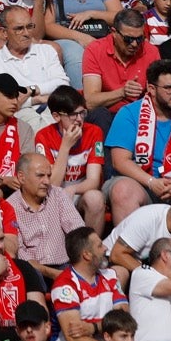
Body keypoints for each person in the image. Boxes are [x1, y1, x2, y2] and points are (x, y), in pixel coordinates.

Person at [36, 85, 106, 232]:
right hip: (52, 195)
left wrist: (73, 189)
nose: (79, 120)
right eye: (73, 115)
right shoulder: (43, 136)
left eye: (82, 113)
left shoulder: (94, 132)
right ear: (56, 116)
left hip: (80, 191)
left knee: (96, 198)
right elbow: (52, 184)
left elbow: (93, 181)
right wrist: (65, 147)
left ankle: (92, 247)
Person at [0, 5, 67, 117]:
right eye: (19, 29)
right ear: (4, 33)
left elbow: (63, 84)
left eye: (29, 27)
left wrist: (31, 90)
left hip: (53, 110)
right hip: (20, 116)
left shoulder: (46, 51)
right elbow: (2, 103)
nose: (26, 33)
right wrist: (37, 99)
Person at [10, 152, 83, 280]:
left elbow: (77, 231)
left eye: (49, 175)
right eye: (40, 176)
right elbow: (19, 252)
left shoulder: (57, 194)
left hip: (64, 264)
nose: (47, 181)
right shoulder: (10, 206)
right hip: (32, 269)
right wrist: (52, 274)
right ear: (21, 177)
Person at [81, 8, 154, 123]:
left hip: (139, 113)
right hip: (107, 114)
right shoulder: (95, 50)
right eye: (128, 39)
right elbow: (90, 101)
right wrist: (122, 92)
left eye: (139, 38)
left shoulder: (151, 51)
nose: (134, 44)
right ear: (114, 33)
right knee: (99, 114)